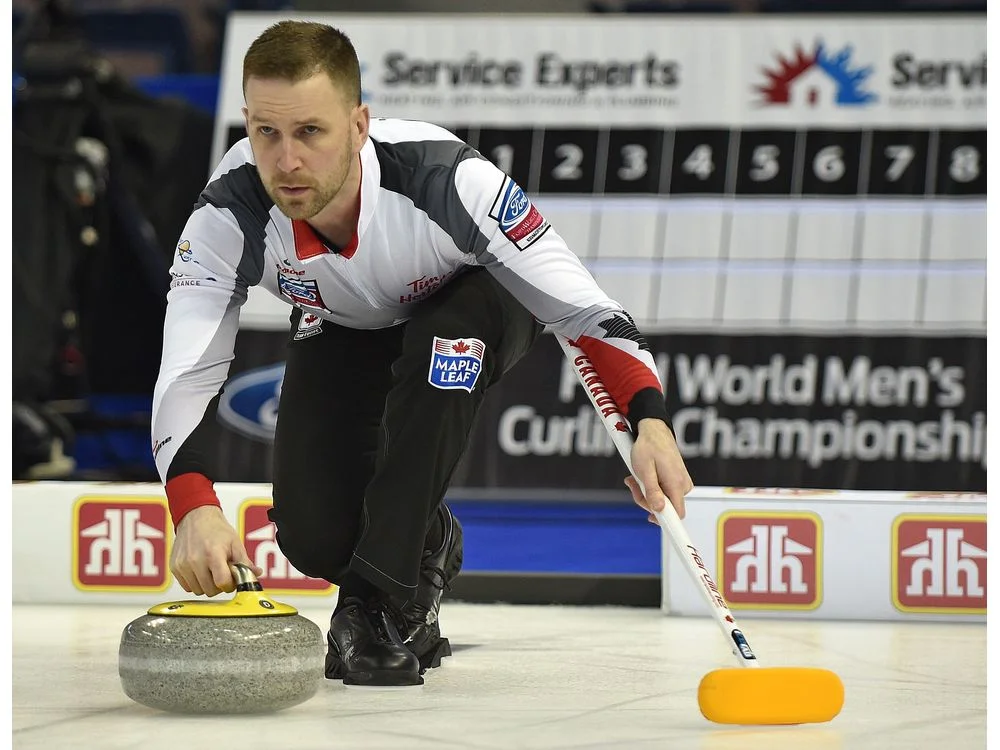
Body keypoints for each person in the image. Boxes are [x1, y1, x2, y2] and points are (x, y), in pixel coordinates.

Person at [151, 20, 693, 688]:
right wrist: (193, 504)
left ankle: (372, 607)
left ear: (358, 125)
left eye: (311, 132)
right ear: (247, 124)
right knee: (313, 538)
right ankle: (428, 541)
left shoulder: (448, 181)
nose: (287, 161)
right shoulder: (227, 212)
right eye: (267, 132)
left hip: (477, 301)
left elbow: (585, 310)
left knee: (446, 349)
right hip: (344, 320)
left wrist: (651, 421)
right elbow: (187, 366)